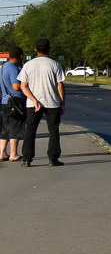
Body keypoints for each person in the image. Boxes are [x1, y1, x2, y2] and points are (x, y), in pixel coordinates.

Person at [17, 37, 65, 167]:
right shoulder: (55, 65)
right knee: (53, 130)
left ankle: (27, 158)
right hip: (52, 102)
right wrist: (62, 103)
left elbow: (23, 86)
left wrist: (33, 100)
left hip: (33, 104)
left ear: (36, 50)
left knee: (30, 130)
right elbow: (60, 86)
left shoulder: (28, 65)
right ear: (49, 49)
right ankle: (53, 158)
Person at [0, 49, 24, 161]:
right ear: (20, 56)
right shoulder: (13, 68)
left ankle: (2, 153)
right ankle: (13, 154)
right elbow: (16, 86)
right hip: (15, 101)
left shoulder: (3, 67)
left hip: (5, 100)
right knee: (15, 127)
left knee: (5, 128)